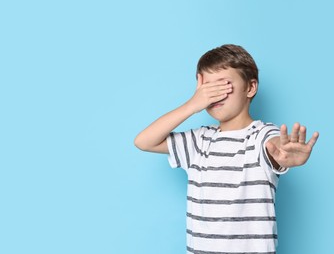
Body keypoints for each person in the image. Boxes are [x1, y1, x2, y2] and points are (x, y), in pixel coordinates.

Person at [134, 44, 319, 254]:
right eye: (207, 89)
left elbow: (273, 146)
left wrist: (283, 153)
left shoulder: (260, 135)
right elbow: (144, 141)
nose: (214, 95)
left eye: (224, 85)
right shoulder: (198, 141)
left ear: (250, 87)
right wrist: (192, 105)